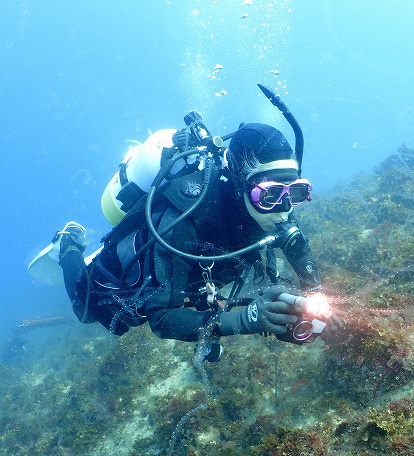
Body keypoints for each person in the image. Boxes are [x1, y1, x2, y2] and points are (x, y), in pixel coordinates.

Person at [54, 105, 330, 361]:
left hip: (192, 274)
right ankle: (69, 243)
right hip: (137, 269)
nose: (283, 210)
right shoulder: (184, 217)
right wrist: (243, 320)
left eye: (296, 192)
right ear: (238, 183)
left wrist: (313, 294)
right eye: (269, 194)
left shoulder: (274, 203)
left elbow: (294, 241)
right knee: (87, 310)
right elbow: (161, 318)